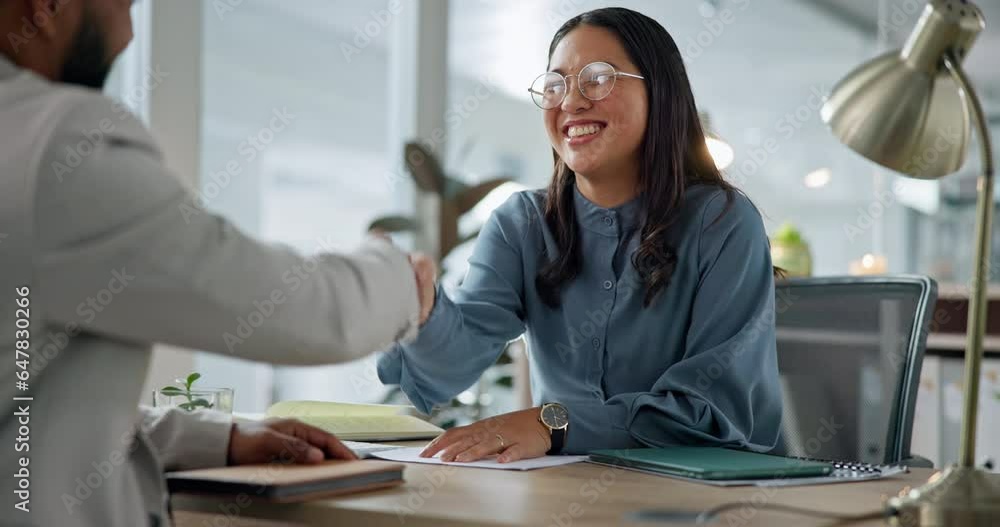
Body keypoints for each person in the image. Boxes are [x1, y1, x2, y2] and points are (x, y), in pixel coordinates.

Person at [0, 1, 437, 526]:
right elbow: (288, 309)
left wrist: (213, 437)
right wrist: (397, 273)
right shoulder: (55, 143)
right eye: (124, 2)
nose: (131, 30)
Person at [378, 7, 783, 464]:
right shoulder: (522, 223)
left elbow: (712, 412)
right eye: (555, 85)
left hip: (701, 498)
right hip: (561, 492)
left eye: (597, 78)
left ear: (660, 91)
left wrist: (552, 422)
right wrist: (425, 312)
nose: (570, 102)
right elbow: (450, 368)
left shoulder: (722, 222)